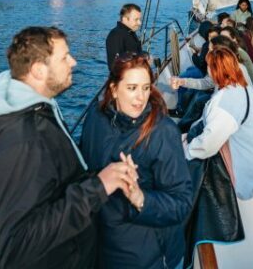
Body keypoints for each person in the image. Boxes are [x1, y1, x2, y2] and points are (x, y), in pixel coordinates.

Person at [0, 26, 139, 269]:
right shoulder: (20, 140)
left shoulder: (38, 112)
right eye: (65, 57)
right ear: (38, 70)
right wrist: (98, 187)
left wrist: (100, 177)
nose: (74, 62)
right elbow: (14, 247)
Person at [80, 53, 194, 268]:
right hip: (100, 247)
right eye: (132, 88)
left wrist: (140, 198)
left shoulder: (162, 132)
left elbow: (182, 203)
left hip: (147, 256)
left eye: (145, 88)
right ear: (114, 89)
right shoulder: (95, 118)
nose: (141, 98)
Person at [186, 48, 253, 200]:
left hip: (242, 169)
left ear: (216, 70)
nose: (207, 70)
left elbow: (207, 146)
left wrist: (185, 151)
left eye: (209, 66)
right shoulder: (243, 88)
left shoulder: (226, 102)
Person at [171, 36, 253, 93]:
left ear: (220, 52)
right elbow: (208, 82)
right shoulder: (233, 65)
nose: (208, 53)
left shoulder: (233, 71)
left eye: (210, 50)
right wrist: (182, 82)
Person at [106, 3, 144, 71]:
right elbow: (115, 66)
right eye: (136, 19)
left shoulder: (130, 32)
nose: (140, 23)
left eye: (140, 19)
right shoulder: (116, 35)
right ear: (125, 19)